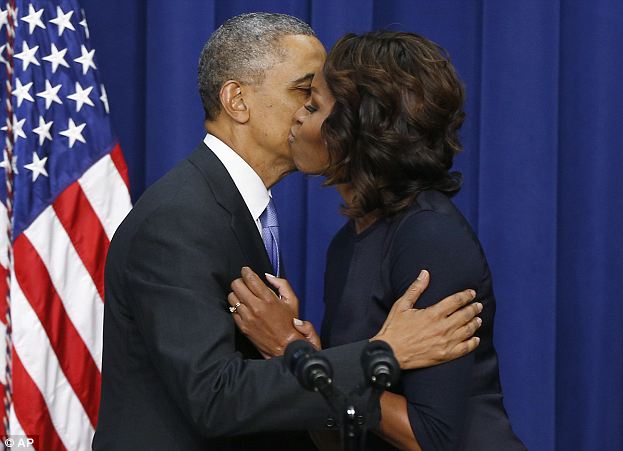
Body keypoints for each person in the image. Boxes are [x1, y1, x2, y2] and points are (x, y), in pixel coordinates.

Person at [93, 14, 483, 451]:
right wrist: (382, 354)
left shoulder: (236, 207)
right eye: (306, 92)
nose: (317, 113)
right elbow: (213, 397)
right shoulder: (178, 219)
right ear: (237, 101)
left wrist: (297, 351)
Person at [230, 31, 528, 450]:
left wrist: (296, 350)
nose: (297, 115)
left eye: (314, 105)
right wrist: (317, 363)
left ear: (358, 129)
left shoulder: (429, 237)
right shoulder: (346, 242)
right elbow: (340, 431)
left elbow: (433, 438)